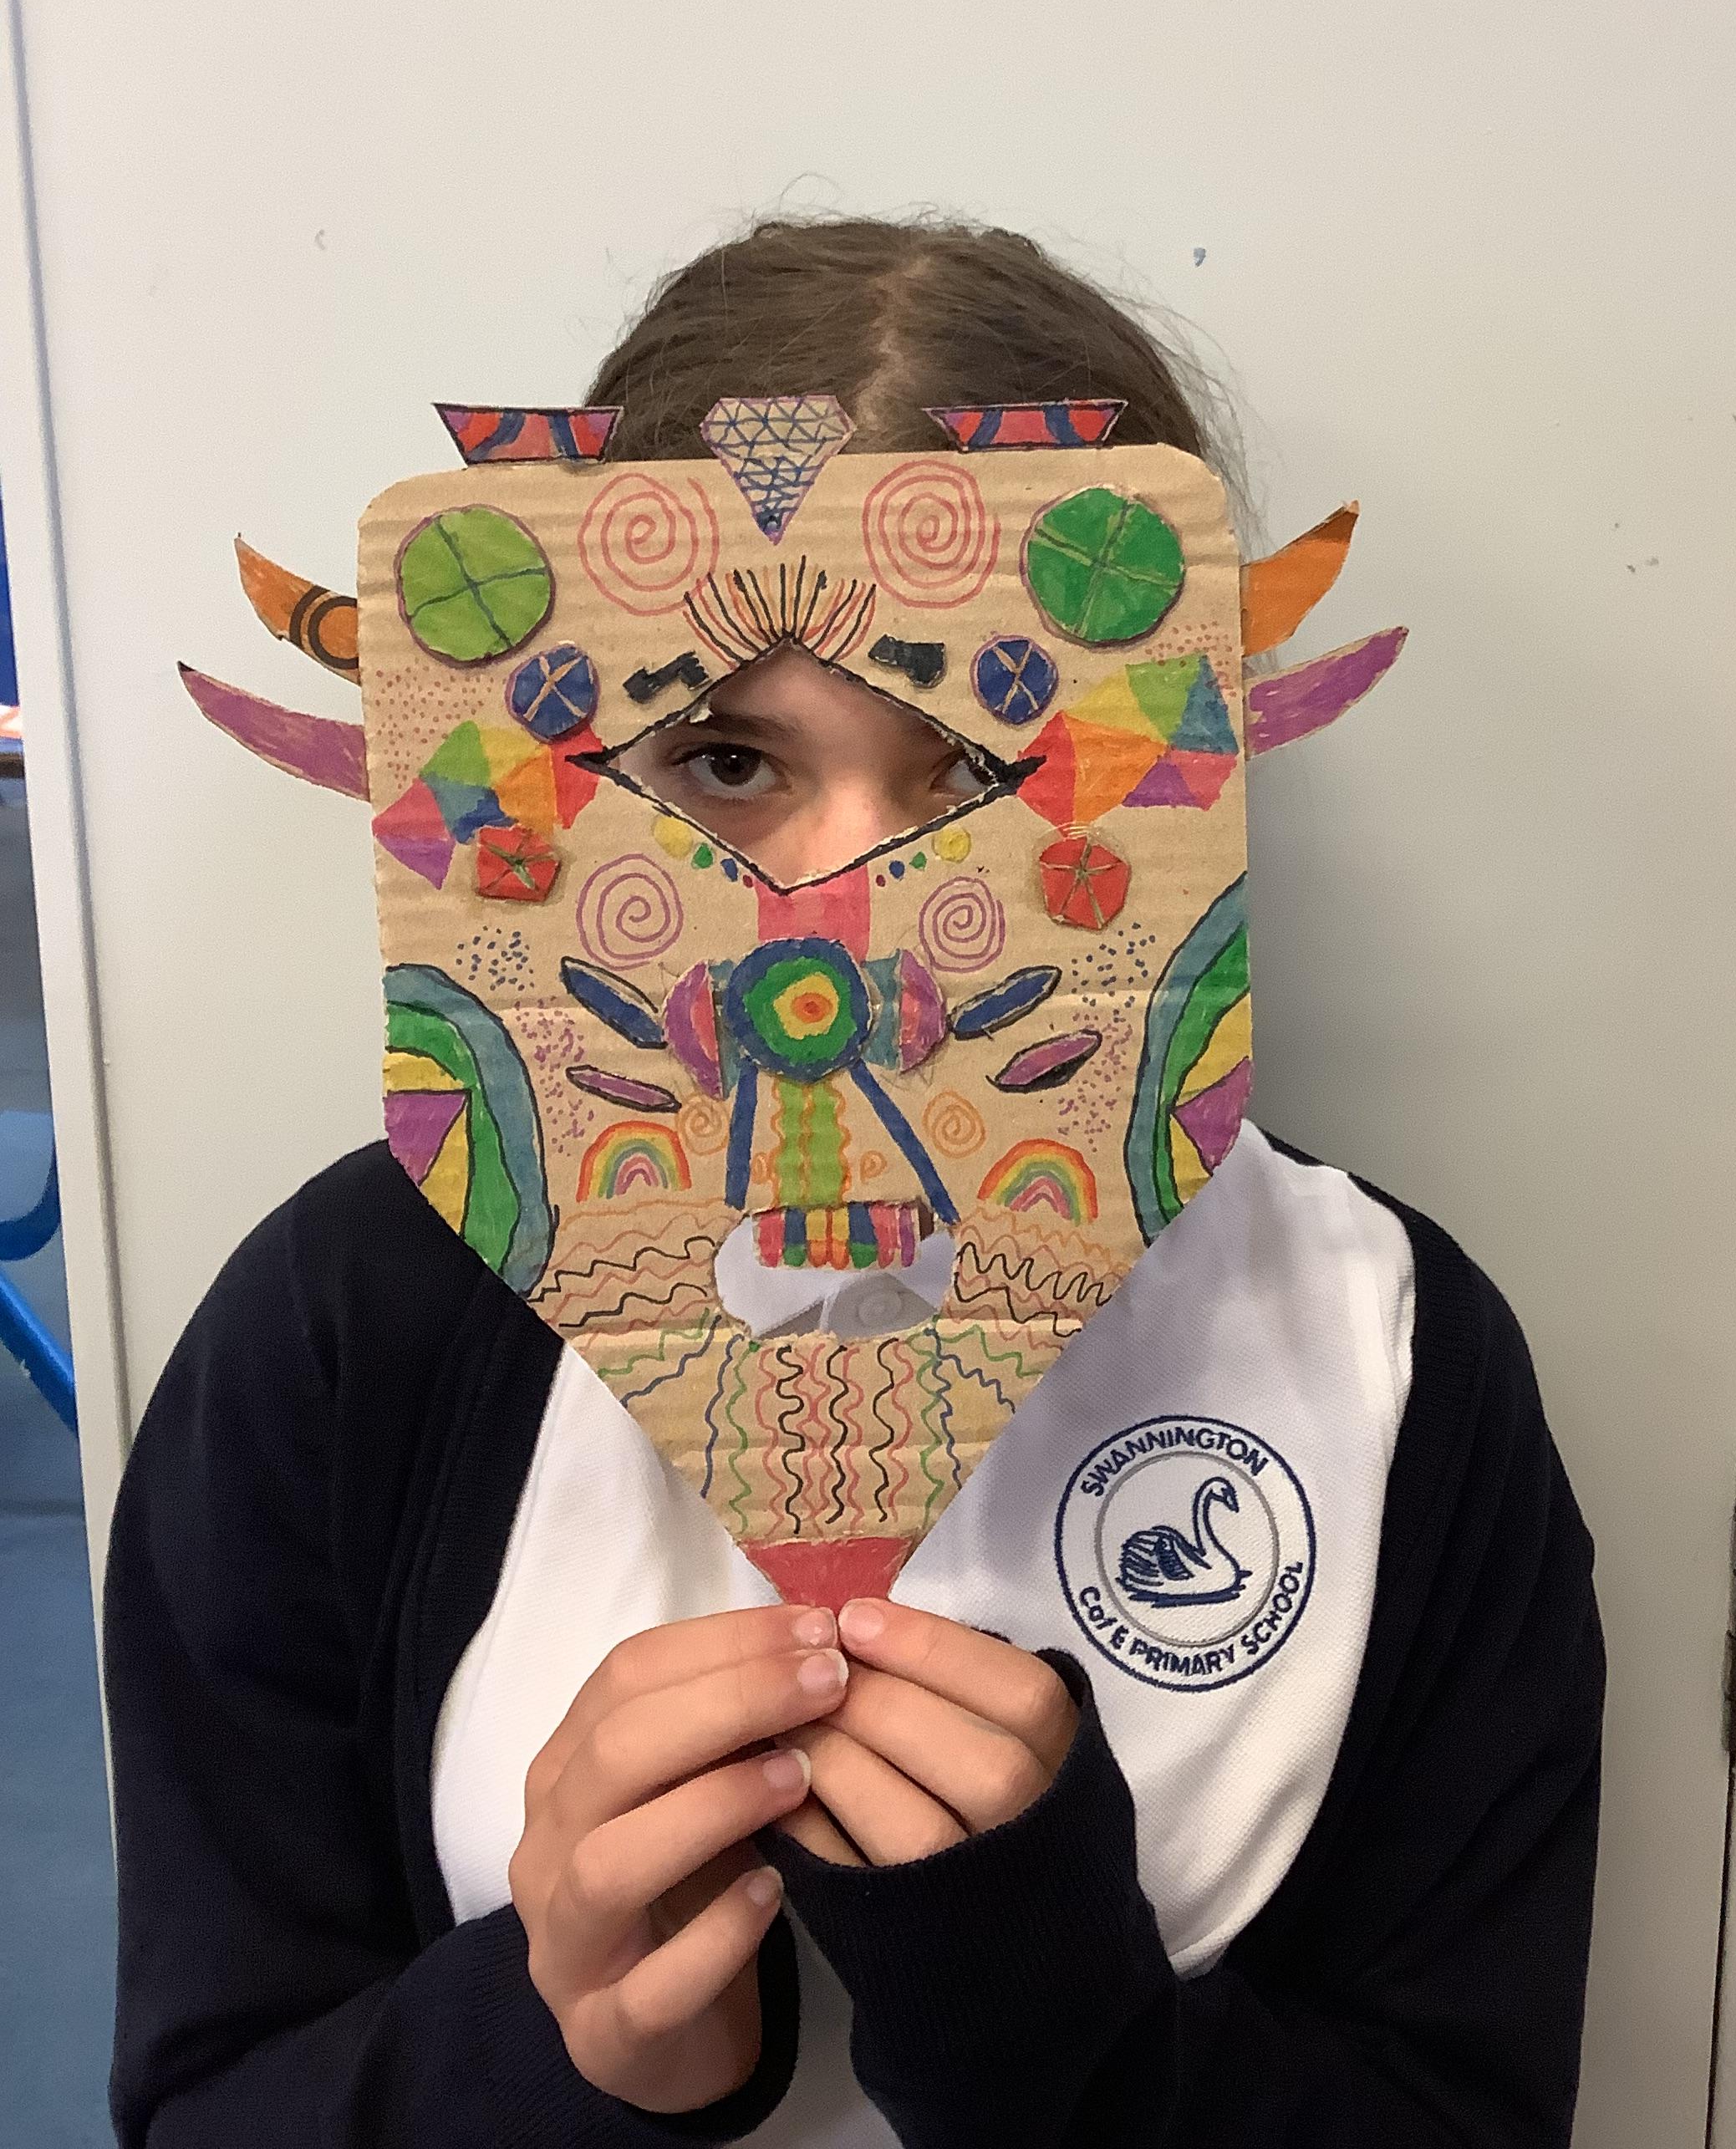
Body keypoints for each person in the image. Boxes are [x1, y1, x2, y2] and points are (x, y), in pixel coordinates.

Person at [104, 216, 1603, 2147]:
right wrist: (555, 2044)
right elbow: (213, 2098)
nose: (842, 913)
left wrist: (1063, 2029)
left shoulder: (1386, 1348)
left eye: (985, 764)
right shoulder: (350, 1324)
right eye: (729, 762)